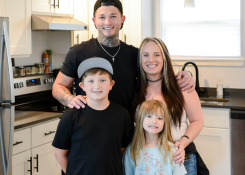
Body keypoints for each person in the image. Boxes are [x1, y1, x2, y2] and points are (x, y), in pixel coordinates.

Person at [52, 0, 195, 114]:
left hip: (125, 130)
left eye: (113, 16)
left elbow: (158, 75)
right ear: (94, 20)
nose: (108, 22)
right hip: (88, 126)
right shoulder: (78, 52)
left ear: (123, 19)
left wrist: (184, 75)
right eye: (102, 17)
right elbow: (58, 86)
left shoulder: (135, 54)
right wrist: (70, 99)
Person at [132, 37, 206, 175]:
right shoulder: (135, 90)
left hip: (181, 158)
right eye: (145, 55)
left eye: (156, 55)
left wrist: (183, 143)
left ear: (164, 58)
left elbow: (198, 120)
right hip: (149, 161)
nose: (151, 60)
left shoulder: (182, 86)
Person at [52, 57, 133, 175]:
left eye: (103, 80)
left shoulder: (122, 115)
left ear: (111, 84)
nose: (97, 86)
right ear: (82, 86)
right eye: (91, 81)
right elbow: (59, 153)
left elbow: (122, 150)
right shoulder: (71, 115)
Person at [123, 100, 187, 175]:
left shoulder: (173, 151)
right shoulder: (131, 151)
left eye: (159, 118)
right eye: (149, 116)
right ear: (140, 119)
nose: (154, 121)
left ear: (165, 123)